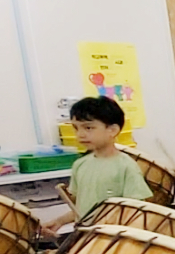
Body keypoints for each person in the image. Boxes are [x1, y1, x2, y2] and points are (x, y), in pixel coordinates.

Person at [40, 96, 153, 234]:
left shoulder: (126, 166)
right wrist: (59, 221)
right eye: (76, 128)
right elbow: (83, 210)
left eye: (88, 128)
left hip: (113, 238)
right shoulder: (80, 165)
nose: (80, 134)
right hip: (84, 235)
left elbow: (134, 212)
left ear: (112, 130)